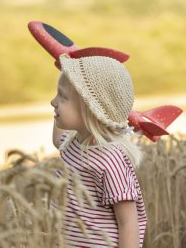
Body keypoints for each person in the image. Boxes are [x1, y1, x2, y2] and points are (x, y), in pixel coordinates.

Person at [51, 54, 147, 248]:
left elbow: (128, 221)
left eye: (62, 96)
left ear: (89, 109)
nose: (53, 101)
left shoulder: (110, 160)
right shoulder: (73, 143)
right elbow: (56, 138)